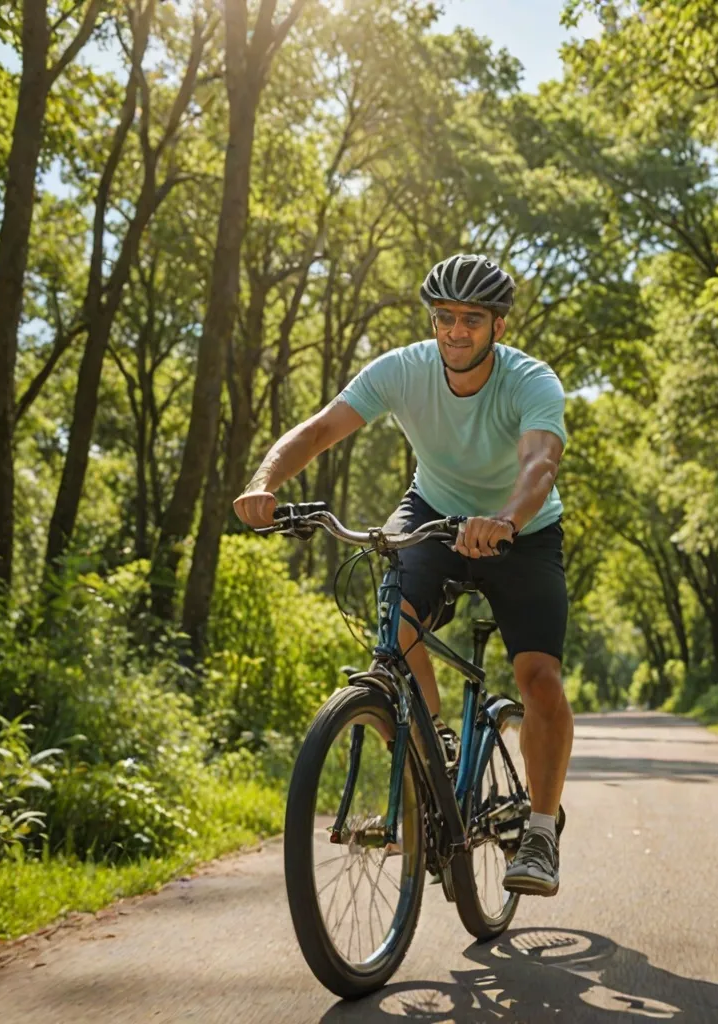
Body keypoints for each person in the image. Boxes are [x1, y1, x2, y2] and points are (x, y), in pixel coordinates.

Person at [233, 253, 574, 897]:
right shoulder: (403, 369)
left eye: (471, 318)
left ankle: (540, 826)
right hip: (433, 512)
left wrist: (502, 519)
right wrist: (263, 482)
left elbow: (539, 465)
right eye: (444, 316)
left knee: (539, 676)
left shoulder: (531, 381)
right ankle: (434, 740)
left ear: (498, 327)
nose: (455, 330)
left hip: (520, 531)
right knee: (393, 618)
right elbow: (318, 431)